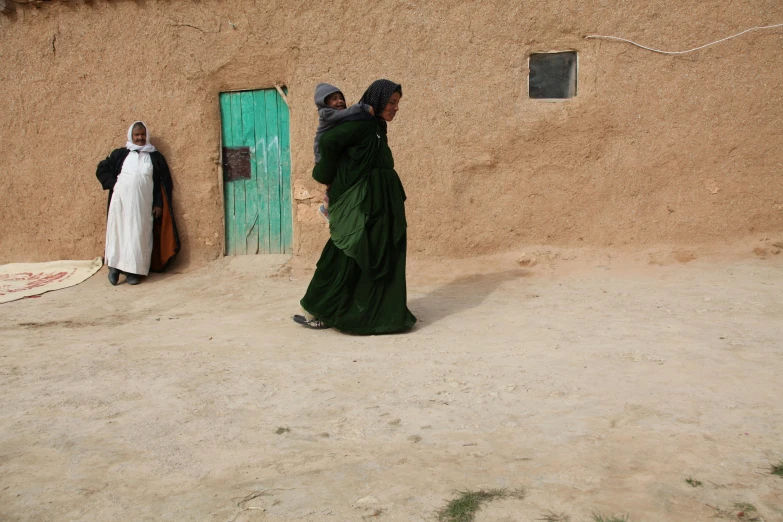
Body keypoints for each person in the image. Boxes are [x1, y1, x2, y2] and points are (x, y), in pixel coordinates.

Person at [294, 79, 417, 334]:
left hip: (381, 204)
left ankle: (379, 314)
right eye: (392, 102)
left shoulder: (376, 126)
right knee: (343, 255)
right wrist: (324, 174)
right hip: (361, 204)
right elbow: (328, 142)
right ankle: (320, 309)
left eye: (397, 103)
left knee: (380, 256)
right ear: (379, 100)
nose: (395, 108)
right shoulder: (361, 123)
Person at [96, 121, 180, 285]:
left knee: (138, 235)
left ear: (146, 136)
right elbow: (101, 168)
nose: (140, 138)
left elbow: (161, 184)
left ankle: (133, 272)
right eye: (137, 135)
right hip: (120, 204)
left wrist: (158, 204)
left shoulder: (155, 157)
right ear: (131, 136)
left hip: (142, 206)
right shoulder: (120, 154)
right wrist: (114, 184)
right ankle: (114, 269)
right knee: (119, 233)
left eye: (142, 135)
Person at [313, 83, 374, 221]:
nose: (339, 101)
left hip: (335, 155)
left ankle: (330, 208)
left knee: (335, 185)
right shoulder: (326, 113)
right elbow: (347, 113)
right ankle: (328, 209)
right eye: (334, 99)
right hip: (322, 156)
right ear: (324, 102)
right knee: (331, 184)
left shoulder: (339, 117)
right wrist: (362, 107)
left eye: (341, 98)